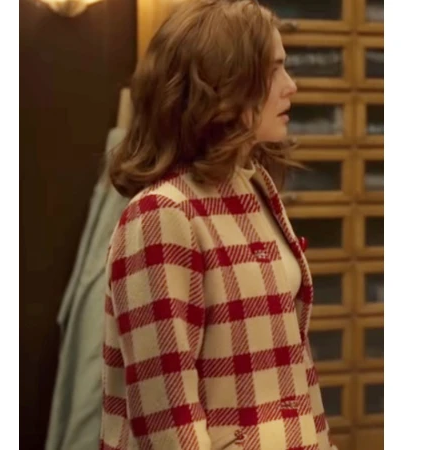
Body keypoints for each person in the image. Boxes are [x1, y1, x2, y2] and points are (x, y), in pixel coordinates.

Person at [100, 1, 337, 449]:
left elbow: (294, 375)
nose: (292, 85)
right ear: (223, 83)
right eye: (274, 70)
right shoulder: (161, 216)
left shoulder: (256, 190)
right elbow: (168, 422)